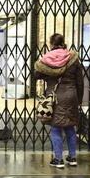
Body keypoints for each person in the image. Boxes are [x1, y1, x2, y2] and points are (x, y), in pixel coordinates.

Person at [34, 33, 84, 169]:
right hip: (71, 95)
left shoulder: (47, 60)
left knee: (56, 128)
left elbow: (37, 74)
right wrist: (79, 99)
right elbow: (80, 82)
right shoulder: (73, 59)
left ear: (51, 45)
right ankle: (72, 157)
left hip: (54, 96)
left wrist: (46, 68)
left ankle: (58, 159)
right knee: (70, 126)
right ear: (63, 43)